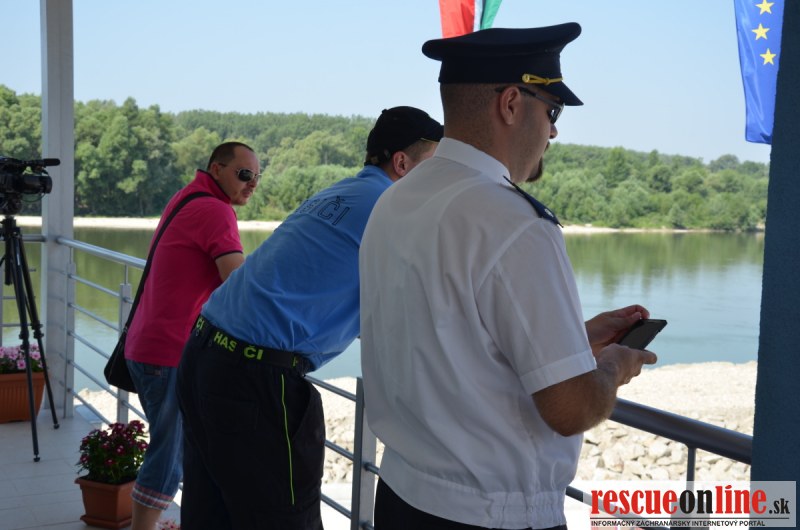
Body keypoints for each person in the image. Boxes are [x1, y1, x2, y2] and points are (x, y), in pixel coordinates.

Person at [359, 24, 658, 530]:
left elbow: (450, 338)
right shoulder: (515, 223)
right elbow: (570, 409)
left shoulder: (399, 198)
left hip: (402, 496)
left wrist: (575, 339)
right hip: (490, 516)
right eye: (552, 111)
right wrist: (612, 367)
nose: (553, 132)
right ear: (513, 104)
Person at [176, 106, 444, 529]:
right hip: (254, 378)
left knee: (212, 516)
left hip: (203, 354)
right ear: (402, 163)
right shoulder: (395, 208)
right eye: (435, 165)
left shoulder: (340, 193)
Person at [124, 141, 259, 530]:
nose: (252, 184)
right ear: (217, 169)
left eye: (257, 176)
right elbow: (237, 281)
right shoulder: (215, 209)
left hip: (148, 344)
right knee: (169, 456)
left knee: (177, 447)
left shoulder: (188, 196)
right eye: (244, 174)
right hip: (168, 352)